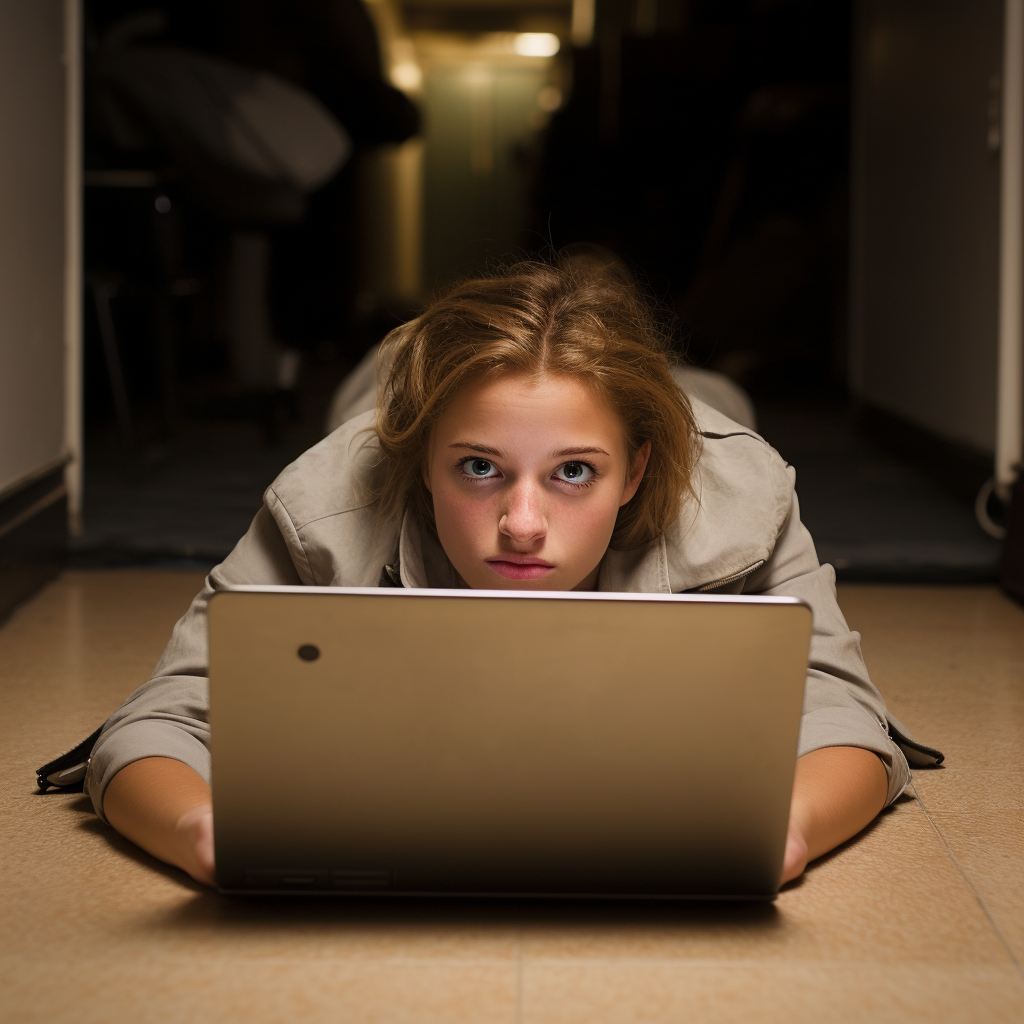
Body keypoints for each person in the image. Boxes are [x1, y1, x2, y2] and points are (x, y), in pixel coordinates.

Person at [85, 253, 939, 889]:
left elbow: (846, 715)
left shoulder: (740, 498)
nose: (523, 526)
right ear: (424, 462)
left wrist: (786, 832)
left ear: (634, 473)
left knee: (705, 393)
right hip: (378, 401)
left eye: (574, 473)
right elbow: (156, 721)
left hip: (682, 411)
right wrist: (203, 830)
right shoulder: (326, 503)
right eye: (478, 469)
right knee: (380, 385)